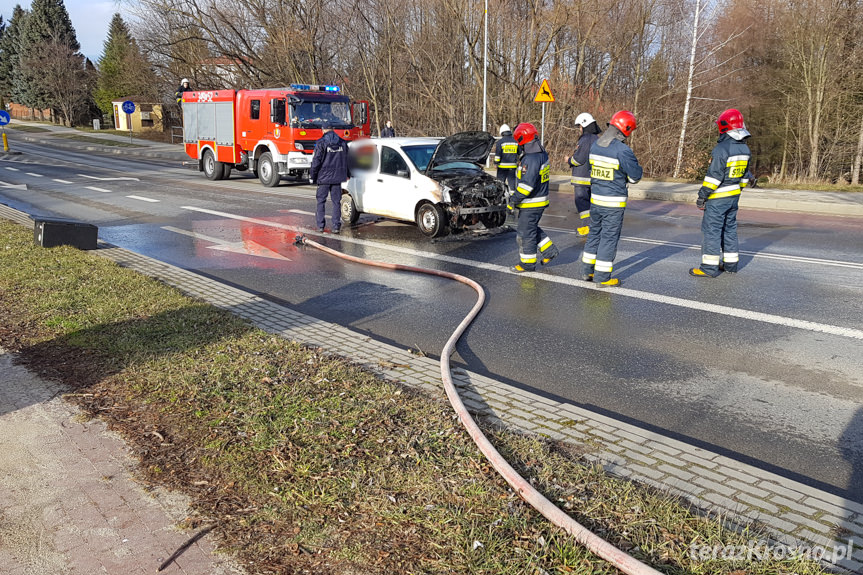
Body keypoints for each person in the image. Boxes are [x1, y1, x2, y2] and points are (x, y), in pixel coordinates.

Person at [581, 110, 642, 287]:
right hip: (613, 203)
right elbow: (635, 177)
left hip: (596, 200)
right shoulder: (623, 150)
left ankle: (587, 271)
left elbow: (592, 171)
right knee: (608, 238)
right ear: (626, 129)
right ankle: (602, 277)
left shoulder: (596, 145)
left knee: (594, 234)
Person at [690, 108, 751, 278]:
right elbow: (745, 177)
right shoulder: (745, 149)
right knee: (730, 229)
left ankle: (708, 268)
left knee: (712, 231)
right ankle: (731, 265)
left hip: (717, 199)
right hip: (733, 198)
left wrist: (702, 196)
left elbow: (713, 178)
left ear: (724, 126)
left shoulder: (721, 149)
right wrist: (737, 191)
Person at [508, 122, 559, 272]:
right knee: (531, 228)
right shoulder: (541, 154)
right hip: (539, 200)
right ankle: (550, 251)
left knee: (525, 233)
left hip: (531, 203)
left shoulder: (530, 159)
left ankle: (527, 264)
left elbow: (526, 186)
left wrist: (513, 200)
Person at [310, 122, 350, 234]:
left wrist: (312, 175)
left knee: (321, 201)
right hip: (337, 177)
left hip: (323, 177)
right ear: (333, 129)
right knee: (336, 202)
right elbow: (348, 160)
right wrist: (348, 174)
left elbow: (316, 161)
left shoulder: (321, 143)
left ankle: (320, 226)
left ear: (323, 130)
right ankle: (336, 226)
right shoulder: (342, 142)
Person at [566, 112, 602, 236]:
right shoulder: (597, 139)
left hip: (581, 178)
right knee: (591, 203)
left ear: (585, 125)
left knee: (581, 202)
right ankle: (594, 227)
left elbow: (579, 159)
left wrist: (569, 160)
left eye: (580, 126)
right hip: (593, 177)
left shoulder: (585, 139)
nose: (580, 129)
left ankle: (587, 228)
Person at [492, 123, 518, 194]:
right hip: (512, 167)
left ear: (502, 133)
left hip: (502, 167)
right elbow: (520, 153)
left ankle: (500, 197)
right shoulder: (515, 141)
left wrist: (495, 163)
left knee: (500, 183)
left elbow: (498, 155)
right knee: (512, 183)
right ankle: (512, 197)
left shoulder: (500, 142)